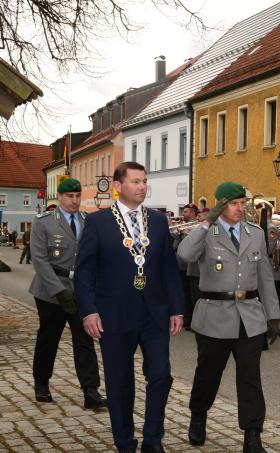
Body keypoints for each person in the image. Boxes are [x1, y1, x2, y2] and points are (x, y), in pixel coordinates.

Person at [75, 162, 184, 453]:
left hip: (154, 312)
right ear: (118, 186)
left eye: (144, 181)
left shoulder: (158, 221)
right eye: (135, 181)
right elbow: (84, 271)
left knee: (160, 374)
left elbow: (169, 268)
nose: (142, 186)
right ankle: (125, 442)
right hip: (113, 314)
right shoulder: (98, 222)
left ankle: (152, 439)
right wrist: (88, 310)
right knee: (120, 381)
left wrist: (176, 308)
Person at [177, 182, 280, 453]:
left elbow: (265, 277)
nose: (240, 208)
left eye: (241, 203)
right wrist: (204, 224)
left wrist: (273, 315)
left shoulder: (255, 233)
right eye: (233, 204)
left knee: (250, 378)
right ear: (221, 205)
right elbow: (184, 255)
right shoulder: (205, 233)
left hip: (249, 316)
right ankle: (199, 415)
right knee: (208, 374)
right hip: (214, 315)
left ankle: (252, 433)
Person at [29, 177, 106, 409]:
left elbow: (95, 257)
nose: (74, 201)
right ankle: (42, 383)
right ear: (59, 197)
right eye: (69, 196)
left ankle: (90, 391)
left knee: (85, 340)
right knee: (48, 338)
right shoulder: (44, 222)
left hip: (80, 290)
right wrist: (59, 291)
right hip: (50, 291)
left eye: (77, 196)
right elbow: (40, 260)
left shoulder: (88, 221)